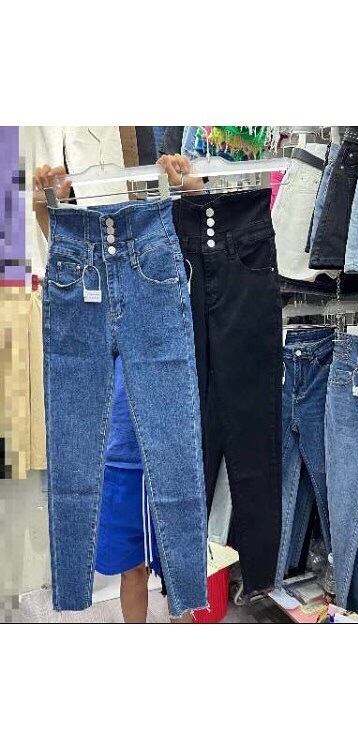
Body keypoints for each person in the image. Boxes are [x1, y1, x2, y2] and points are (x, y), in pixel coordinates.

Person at [33, 154, 204, 623]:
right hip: (118, 456)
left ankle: (186, 610)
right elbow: (66, 247)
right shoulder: (83, 256)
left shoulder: (163, 243)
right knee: (132, 566)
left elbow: (198, 240)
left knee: (176, 553)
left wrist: (188, 188)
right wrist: (48, 207)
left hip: (151, 451)